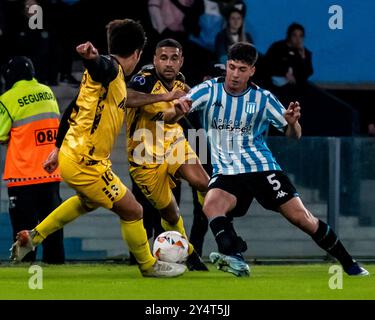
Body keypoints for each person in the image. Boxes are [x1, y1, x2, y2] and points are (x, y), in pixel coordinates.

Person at [166, 42, 369, 277]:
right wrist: (178, 110)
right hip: (227, 171)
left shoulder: (263, 99)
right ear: (227, 66)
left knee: (302, 219)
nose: (235, 74)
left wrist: (293, 123)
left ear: (252, 70)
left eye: (242, 69)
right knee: (211, 204)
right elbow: (170, 116)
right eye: (232, 67)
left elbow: (295, 135)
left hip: (262, 169)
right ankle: (235, 256)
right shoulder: (207, 90)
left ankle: (349, 263)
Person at [9, 19, 186, 278]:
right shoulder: (110, 69)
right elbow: (102, 66)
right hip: (86, 162)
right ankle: (149, 265)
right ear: (137, 53)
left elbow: (72, 109)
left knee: (87, 202)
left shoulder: (105, 79)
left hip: (74, 153)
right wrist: (91, 58)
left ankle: (34, 237)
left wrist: (57, 149)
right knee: (133, 210)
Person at [126, 38, 210, 270]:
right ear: (154, 60)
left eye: (174, 58)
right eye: (163, 58)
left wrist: (179, 110)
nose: (169, 63)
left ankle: (218, 223)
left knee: (204, 183)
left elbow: (169, 118)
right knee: (171, 214)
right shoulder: (144, 78)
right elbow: (127, 98)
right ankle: (190, 253)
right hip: (145, 157)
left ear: (181, 61)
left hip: (173, 145)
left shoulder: (182, 85)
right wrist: (164, 98)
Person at [0, 56, 65, 264]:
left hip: (23, 177)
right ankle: (57, 272)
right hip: (50, 173)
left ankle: (26, 278)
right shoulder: (48, 92)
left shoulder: (8, 98)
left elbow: (1, 135)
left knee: (24, 234)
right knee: (52, 231)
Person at [265, 22, 313, 91]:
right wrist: (284, 73)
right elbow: (267, 64)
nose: (298, 39)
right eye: (295, 35)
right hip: (273, 86)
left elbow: (308, 72)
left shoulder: (305, 53)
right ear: (289, 36)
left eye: (300, 36)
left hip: (293, 89)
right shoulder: (277, 47)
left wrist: (303, 58)